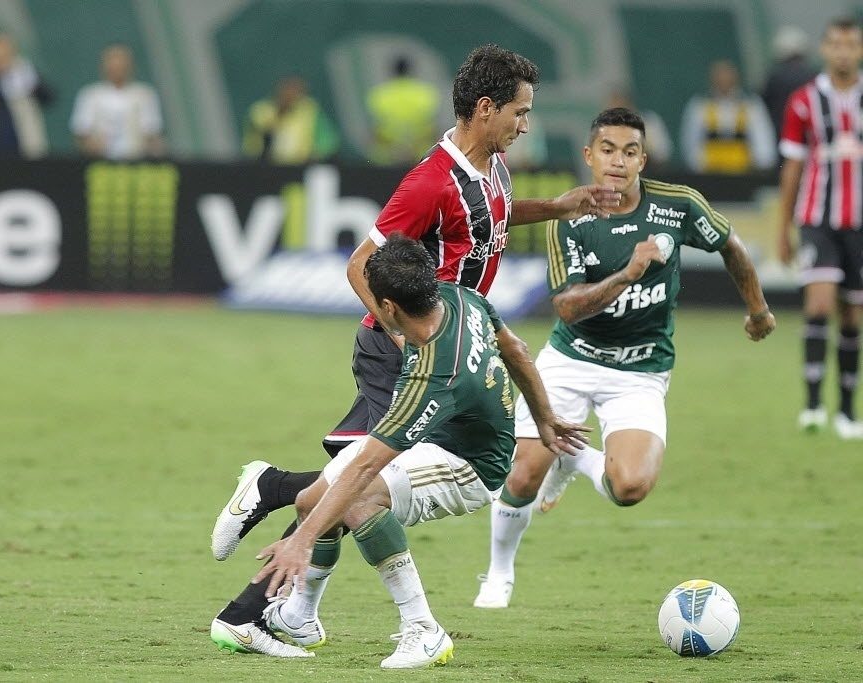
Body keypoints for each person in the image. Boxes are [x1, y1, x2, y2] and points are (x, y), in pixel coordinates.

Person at [209, 44, 620, 655]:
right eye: (520, 111)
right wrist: (404, 338)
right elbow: (359, 266)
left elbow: (493, 221)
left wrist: (555, 208)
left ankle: (286, 583)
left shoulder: (495, 167)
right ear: (485, 109)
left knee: (352, 487)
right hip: (407, 354)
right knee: (357, 485)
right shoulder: (431, 181)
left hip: (457, 345)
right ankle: (279, 572)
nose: (526, 123)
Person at [236, 234, 588, 668]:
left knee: (358, 499)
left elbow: (366, 468)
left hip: (471, 465)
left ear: (387, 308)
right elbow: (515, 349)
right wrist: (545, 417)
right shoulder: (463, 297)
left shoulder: (430, 378)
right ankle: (300, 617)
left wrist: (300, 543)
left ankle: (424, 630)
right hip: (454, 436)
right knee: (313, 500)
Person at [473, 107, 776, 609]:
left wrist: (758, 310)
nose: (618, 162)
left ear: (643, 159)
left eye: (630, 152)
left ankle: (571, 457)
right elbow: (567, 308)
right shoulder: (571, 217)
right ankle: (499, 572)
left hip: (641, 370)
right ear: (589, 156)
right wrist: (628, 275)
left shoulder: (677, 205)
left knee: (630, 486)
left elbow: (731, 245)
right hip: (572, 360)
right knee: (523, 474)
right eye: (608, 151)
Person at [777, 17, 863, 439]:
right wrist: (783, 226)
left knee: (852, 317)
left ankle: (847, 412)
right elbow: (793, 166)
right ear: (825, 50)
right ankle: (813, 405)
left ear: (859, 50)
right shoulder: (804, 101)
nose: (843, 52)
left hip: (860, 227)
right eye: (836, 45)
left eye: (850, 45)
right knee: (819, 306)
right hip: (816, 221)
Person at [70, 43, 164, 160]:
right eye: (113, 64)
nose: (117, 68)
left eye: (121, 64)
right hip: (99, 164)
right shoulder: (90, 95)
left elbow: (152, 132)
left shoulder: (144, 95)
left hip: (136, 162)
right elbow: (81, 131)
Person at [680, 60, 775, 173]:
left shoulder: (751, 106)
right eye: (719, 76)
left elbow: (762, 138)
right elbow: (691, 141)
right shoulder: (700, 106)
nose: (723, 80)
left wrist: (761, 165)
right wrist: (697, 167)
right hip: (709, 173)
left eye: (727, 76)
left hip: (744, 173)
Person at [242, 76, 340, 164]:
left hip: (301, 168)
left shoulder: (310, 110)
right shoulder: (260, 111)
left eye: (295, 90)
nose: (290, 94)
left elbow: (328, 144)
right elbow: (255, 143)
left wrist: (312, 158)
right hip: (266, 169)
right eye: (287, 89)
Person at [365, 55, 440, 165]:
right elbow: (433, 127)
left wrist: (395, 149)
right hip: (420, 156)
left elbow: (374, 130)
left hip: (387, 158)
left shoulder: (379, 94)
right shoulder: (426, 93)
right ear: (411, 70)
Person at [761, 26, 816, 148]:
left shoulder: (773, 77)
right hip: (810, 139)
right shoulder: (813, 76)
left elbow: (765, 103)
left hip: (782, 136)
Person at [605, 86, 673, 168]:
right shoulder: (602, 130)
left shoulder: (649, 123)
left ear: (629, 104)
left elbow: (663, 154)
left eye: (621, 105)